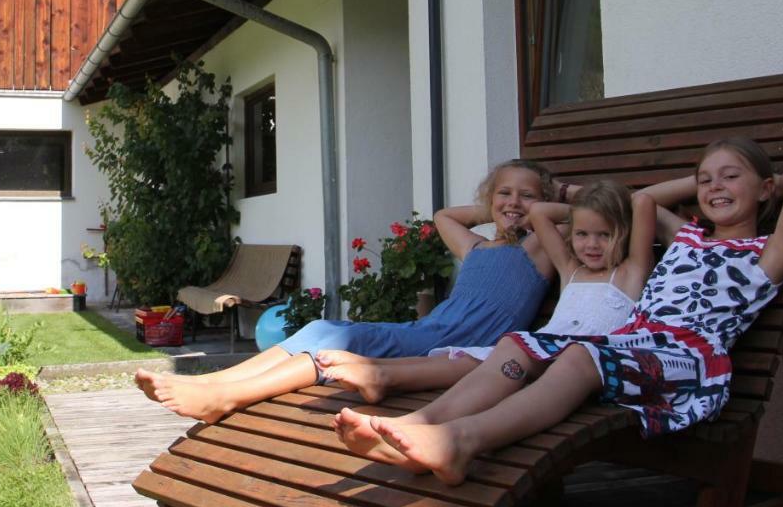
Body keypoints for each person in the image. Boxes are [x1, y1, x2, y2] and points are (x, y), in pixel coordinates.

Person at [333, 139, 783, 486]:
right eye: (705, 180)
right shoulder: (689, 238)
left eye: (730, 177)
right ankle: (421, 424)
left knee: (577, 359)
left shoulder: (768, 255)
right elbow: (643, 200)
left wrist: (771, 182)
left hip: (686, 362)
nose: (715, 187)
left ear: (765, 190)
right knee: (519, 345)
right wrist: (710, 182)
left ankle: (461, 441)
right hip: (631, 344)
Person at [134, 159, 561, 423]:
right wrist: (497, 206)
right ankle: (216, 385)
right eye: (504, 192)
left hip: (455, 346)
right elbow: (444, 215)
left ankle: (225, 395)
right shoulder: (479, 248)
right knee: (323, 327)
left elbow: (585, 210)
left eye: (527, 195)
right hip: (428, 330)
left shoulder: (540, 247)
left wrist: (537, 204)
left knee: (340, 340)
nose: (514, 201)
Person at [320, 179, 654, 409]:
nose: (591, 244)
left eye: (603, 234)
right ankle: (381, 373)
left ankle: (386, 377)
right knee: (472, 358)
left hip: (583, 364)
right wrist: (579, 205)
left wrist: (584, 199)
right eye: (581, 232)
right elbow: (539, 213)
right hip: (542, 348)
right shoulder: (571, 269)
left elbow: (642, 202)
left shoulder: (630, 272)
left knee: (496, 360)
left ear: (622, 232)